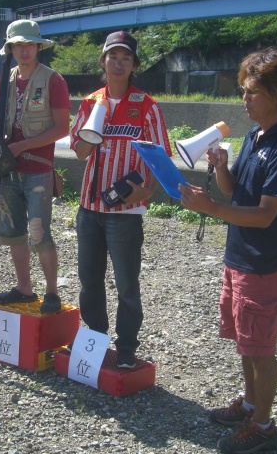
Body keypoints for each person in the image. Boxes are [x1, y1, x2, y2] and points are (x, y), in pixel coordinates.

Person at [179, 47, 277, 453]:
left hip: (263, 263)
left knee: (261, 348)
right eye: (244, 90)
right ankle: (251, 405)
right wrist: (220, 168)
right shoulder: (256, 136)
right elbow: (238, 193)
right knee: (246, 342)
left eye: (252, 92)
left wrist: (211, 207)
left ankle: (264, 425)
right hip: (239, 257)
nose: (244, 99)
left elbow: (267, 214)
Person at [69, 31, 171, 369]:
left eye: (126, 58)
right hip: (89, 208)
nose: (118, 63)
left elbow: (161, 156)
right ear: (103, 61)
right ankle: (95, 339)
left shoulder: (147, 106)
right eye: (113, 56)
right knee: (89, 281)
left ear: (133, 65)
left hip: (126, 212)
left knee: (127, 283)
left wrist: (149, 190)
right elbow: (80, 153)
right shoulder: (89, 103)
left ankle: (127, 347)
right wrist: (94, 125)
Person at [0, 20, 71, 314]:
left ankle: (52, 293)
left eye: (30, 44)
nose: (24, 50)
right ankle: (24, 288)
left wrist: (21, 147)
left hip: (37, 171)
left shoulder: (53, 80)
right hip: (7, 170)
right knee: (12, 231)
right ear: (10, 48)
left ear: (38, 47)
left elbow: (61, 128)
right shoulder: (4, 80)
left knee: (39, 232)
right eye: (18, 45)